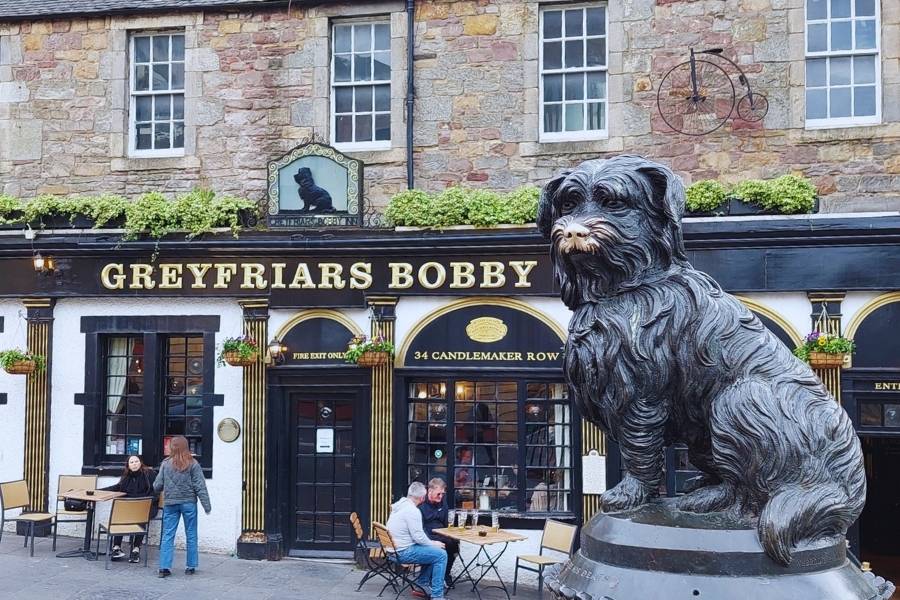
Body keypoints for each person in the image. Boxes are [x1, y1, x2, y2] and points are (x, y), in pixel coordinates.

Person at [153, 435, 211, 578]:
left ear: (172, 447)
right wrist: (206, 505)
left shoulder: (165, 464)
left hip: (171, 503)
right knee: (191, 534)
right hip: (189, 503)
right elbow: (200, 486)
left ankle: (164, 568)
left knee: (167, 535)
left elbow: (157, 485)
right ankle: (190, 566)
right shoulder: (193, 463)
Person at [386, 482, 452, 600]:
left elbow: (417, 536)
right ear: (422, 498)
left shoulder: (399, 505)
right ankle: (437, 596)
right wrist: (433, 543)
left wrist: (431, 545)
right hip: (402, 552)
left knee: (432, 552)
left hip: (393, 550)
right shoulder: (412, 511)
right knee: (441, 555)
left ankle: (422, 584)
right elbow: (418, 536)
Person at [102, 455, 158, 563]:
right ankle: (116, 548)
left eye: (136, 461)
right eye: (131, 462)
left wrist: (145, 502)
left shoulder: (150, 474)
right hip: (129, 507)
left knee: (140, 517)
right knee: (119, 514)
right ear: (128, 465)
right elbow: (117, 487)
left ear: (141, 462)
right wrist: (100, 490)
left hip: (146, 506)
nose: (134, 464)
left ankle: (136, 549)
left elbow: (156, 492)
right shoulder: (126, 476)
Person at [419, 478, 460, 589]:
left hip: (441, 532)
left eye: (442, 494)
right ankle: (435, 578)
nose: (441, 496)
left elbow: (446, 521)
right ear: (430, 491)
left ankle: (445, 574)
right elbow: (420, 528)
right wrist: (430, 540)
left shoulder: (442, 501)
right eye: (438, 494)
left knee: (455, 542)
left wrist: (451, 533)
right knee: (443, 546)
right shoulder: (421, 503)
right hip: (428, 534)